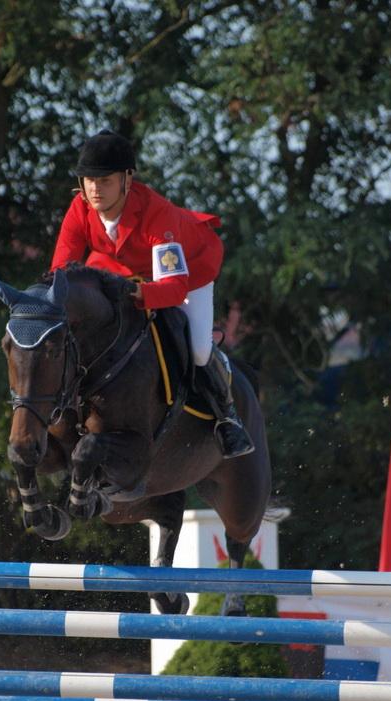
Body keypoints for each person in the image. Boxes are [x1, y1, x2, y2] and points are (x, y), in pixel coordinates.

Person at [50, 129, 254, 459]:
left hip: (188, 271)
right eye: (89, 180)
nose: (95, 189)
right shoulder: (80, 209)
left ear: (127, 179)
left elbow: (172, 288)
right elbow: (61, 272)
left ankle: (227, 417)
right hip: (120, 266)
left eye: (105, 181)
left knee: (199, 349)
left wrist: (135, 291)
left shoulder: (157, 215)